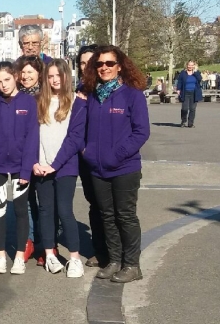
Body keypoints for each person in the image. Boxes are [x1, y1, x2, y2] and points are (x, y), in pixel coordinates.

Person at [82, 45, 149, 283]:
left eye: (110, 63)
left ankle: (132, 265)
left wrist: (117, 155)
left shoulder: (132, 94)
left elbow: (141, 132)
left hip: (124, 168)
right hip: (97, 168)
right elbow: (82, 128)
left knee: (125, 216)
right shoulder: (91, 94)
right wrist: (87, 152)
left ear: (119, 66)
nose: (104, 68)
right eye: (99, 64)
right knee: (106, 216)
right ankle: (114, 260)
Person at [0, 61, 39, 275]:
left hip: (19, 167)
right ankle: (1, 255)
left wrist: (25, 170)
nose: (3, 85)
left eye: (7, 79)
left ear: (15, 76)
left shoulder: (28, 102)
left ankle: (20, 256)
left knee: (22, 211)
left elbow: (32, 137)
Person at [33, 59, 85, 277]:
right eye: (50, 76)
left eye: (58, 75)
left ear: (66, 76)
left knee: (64, 210)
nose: (54, 80)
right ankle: (50, 255)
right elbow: (32, 136)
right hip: (40, 166)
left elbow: (75, 139)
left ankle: (74, 258)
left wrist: (55, 165)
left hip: (65, 166)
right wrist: (36, 163)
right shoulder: (37, 101)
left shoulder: (77, 103)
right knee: (45, 211)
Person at [75, 44, 107, 268]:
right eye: (82, 64)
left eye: (89, 63)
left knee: (109, 205)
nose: (85, 67)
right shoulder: (78, 90)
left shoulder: (104, 91)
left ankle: (114, 250)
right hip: (84, 155)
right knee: (94, 204)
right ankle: (100, 249)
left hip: (105, 155)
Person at [14, 55, 46, 265]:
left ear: (38, 75)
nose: (26, 76)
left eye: (30, 73)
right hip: (22, 157)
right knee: (25, 203)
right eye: (23, 72)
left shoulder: (44, 96)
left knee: (43, 204)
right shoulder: (14, 96)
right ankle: (28, 241)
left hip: (43, 156)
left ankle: (44, 244)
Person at [176, 60, 203, 128]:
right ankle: (183, 121)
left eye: (192, 65)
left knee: (192, 109)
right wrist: (178, 89)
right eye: (189, 65)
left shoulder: (196, 72)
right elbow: (180, 81)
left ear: (194, 65)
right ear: (187, 65)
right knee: (184, 108)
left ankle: (190, 123)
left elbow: (200, 79)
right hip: (185, 92)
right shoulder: (183, 73)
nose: (190, 66)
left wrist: (195, 72)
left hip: (194, 92)